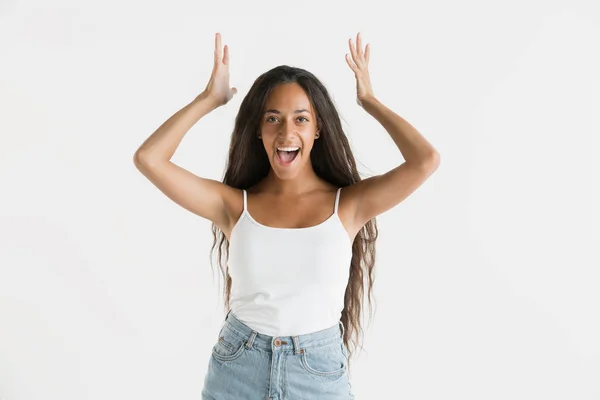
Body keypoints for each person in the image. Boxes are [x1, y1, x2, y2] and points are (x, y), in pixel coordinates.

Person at [134, 32, 440, 400]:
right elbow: (149, 159)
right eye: (273, 119)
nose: (286, 132)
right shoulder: (234, 206)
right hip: (237, 368)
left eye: (301, 119)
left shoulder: (349, 204)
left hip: (317, 373)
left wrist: (370, 101)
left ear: (318, 129)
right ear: (259, 131)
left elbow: (426, 160)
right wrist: (209, 100)